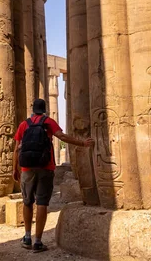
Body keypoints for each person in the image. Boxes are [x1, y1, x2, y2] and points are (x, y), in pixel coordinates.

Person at [13, 98, 94, 253]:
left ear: (33, 109)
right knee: (42, 203)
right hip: (45, 167)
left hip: (26, 168)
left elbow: (17, 148)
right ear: (44, 109)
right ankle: (38, 241)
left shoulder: (24, 124)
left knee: (27, 202)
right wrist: (82, 143)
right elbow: (62, 137)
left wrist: (14, 168)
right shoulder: (48, 122)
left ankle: (27, 236)